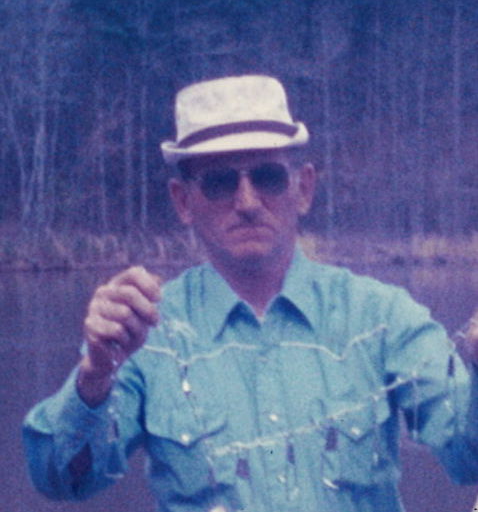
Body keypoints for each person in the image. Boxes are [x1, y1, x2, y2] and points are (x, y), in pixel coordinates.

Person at [23, 75, 478, 512]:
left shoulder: (382, 317)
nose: (247, 202)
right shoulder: (144, 332)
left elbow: (467, 455)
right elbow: (62, 479)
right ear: (183, 201)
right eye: (220, 182)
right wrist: (94, 377)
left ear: (303, 188)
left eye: (268, 177)